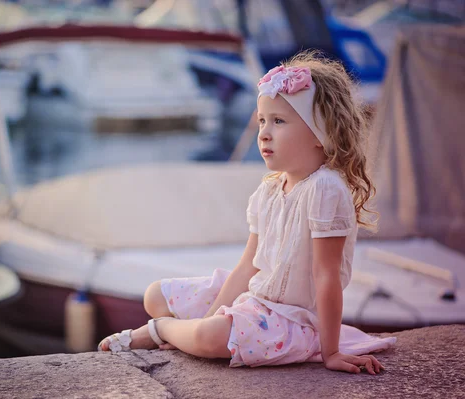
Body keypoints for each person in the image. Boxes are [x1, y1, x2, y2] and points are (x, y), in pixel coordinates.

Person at [98, 51, 396, 374]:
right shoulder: (268, 191)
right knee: (155, 295)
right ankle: (187, 329)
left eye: (279, 121)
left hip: (291, 320)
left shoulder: (325, 189)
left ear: (319, 133)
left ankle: (161, 330)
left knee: (207, 337)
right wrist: (211, 316)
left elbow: (326, 277)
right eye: (263, 120)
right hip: (257, 300)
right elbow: (246, 269)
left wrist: (332, 352)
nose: (264, 133)